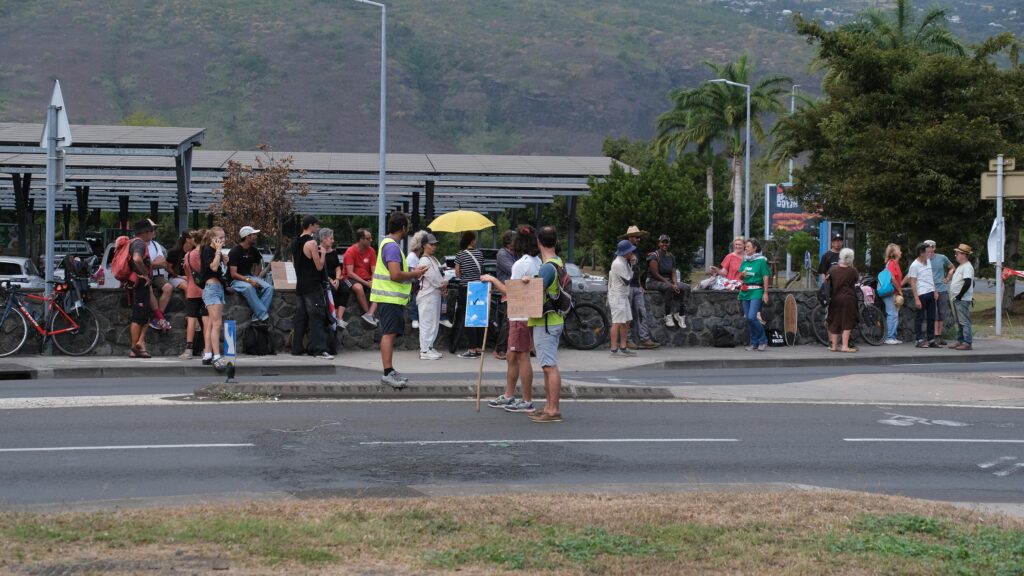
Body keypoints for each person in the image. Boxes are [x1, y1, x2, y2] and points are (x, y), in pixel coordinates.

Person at [484, 225, 540, 412]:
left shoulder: (521, 264)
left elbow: (511, 291)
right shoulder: (536, 261)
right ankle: (509, 395)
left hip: (519, 314)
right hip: (528, 314)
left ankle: (525, 399)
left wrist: (492, 280)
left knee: (522, 356)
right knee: (511, 355)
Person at [371, 211, 425, 388]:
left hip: (389, 298)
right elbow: (395, 275)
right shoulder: (393, 247)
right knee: (388, 334)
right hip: (390, 298)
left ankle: (390, 370)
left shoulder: (387, 244)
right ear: (403, 228)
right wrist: (415, 273)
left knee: (390, 334)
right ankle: (387, 373)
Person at [528, 225, 566, 423]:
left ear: (538, 242)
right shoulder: (558, 262)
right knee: (546, 365)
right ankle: (548, 405)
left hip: (546, 322)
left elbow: (536, 293)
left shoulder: (546, 267)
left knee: (549, 366)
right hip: (554, 320)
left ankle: (553, 409)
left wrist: (527, 283)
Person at [291, 215, 332, 359]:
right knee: (316, 317)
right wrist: (324, 254)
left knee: (300, 317)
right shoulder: (312, 243)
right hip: (312, 286)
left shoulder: (295, 242)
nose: (318, 228)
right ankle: (320, 349)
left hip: (300, 285)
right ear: (311, 226)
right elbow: (319, 266)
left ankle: (297, 348)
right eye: (317, 225)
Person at [619, 225, 658, 350]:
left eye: (639, 237)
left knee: (642, 312)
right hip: (627, 287)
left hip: (636, 286)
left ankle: (644, 338)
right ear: (630, 238)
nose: (639, 239)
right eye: (636, 237)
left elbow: (637, 269)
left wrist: (640, 284)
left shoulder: (636, 251)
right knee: (627, 315)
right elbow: (619, 269)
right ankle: (627, 340)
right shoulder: (623, 252)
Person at [228, 226, 274, 324]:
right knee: (249, 288)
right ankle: (263, 315)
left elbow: (259, 262)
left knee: (269, 288)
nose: (255, 236)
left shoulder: (253, 250)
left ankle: (256, 317)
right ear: (247, 236)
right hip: (236, 281)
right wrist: (250, 281)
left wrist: (256, 277)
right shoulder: (234, 252)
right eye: (253, 235)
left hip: (249, 277)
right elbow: (233, 274)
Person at [645, 234, 689, 329]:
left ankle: (680, 315)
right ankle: (667, 315)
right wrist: (670, 284)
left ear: (669, 244)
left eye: (667, 242)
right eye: (662, 242)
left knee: (686, 287)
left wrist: (675, 283)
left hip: (667, 281)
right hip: (653, 281)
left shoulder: (671, 256)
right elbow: (656, 274)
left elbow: (673, 272)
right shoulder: (654, 256)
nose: (664, 244)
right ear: (659, 243)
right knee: (669, 288)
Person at [200, 227, 229, 369]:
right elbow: (213, 267)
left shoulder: (215, 252)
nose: (223, 240)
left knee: (211, 324)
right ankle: (217, 356)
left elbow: (220, 270)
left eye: (224, 237)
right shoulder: (207, 250)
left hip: (218, 288)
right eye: (220, 238)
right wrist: (218, 252)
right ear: (213, 239)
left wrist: (225, 260)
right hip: (211, 289)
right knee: (217, 324)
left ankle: (207, 354)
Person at [415, 231, 446, 360]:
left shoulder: (433, 259)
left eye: (434, 244)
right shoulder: (423, 259)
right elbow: (433, 277)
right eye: (431, 244)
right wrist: (443, 284)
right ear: (424, 245)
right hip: (427, 295)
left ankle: (430, 346)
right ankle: (424, 350)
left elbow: (441, 273)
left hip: (435, 294)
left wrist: (444, 283)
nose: (434, 246)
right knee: (427, 322)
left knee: (433, 323)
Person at [454, 230, 485, 359]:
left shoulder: (460, 255)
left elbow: (457, 274)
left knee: (469, 319)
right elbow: (481, 270)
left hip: (466, 288)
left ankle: (471, 350)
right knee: (478, 318)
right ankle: (478, 347)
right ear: (472, 240)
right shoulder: (479, 254)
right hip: (479, 288)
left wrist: (465, 276)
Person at [127, 220, 156, 358]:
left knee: (145, 315)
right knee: (138, 317)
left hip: (137, 283)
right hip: (140, 284)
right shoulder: (139, 244)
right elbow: (137, 259)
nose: (153, 234)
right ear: (145, 232)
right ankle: (135, 347)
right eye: (151, 231)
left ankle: (138, 345)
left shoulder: (133, 242)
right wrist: (145, 274)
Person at [738, 238, 770, 351]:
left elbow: (766, 276)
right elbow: (740, 277)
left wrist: (765, 293)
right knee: (748, 318)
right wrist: (742, 274)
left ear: (755, 248)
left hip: (756, 290)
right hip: (745, 291)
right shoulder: (745, 260)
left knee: (752, 316)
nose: (745, 248)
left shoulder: (761, 260)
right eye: (745, 246)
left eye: (748, 247)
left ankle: (763, 340)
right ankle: (754, 342)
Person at [827, 248, 860, 353]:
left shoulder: (833, 269)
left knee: (834, 320)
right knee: (847, 321)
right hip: (849, 299)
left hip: (835, 298)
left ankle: (834, 346)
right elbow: (856, 281)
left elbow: (828, 281)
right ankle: (845, 346)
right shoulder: (853, 271)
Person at [176, 229, 203, 359]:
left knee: (191, 318)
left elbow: (187, 274)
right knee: (206, 320)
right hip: (204, 290)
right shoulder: (205, 254)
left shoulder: (187, 255)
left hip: (192, 289)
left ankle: (189, 349)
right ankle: (205, 349)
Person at [343, 228, 378, 327]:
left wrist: (373, 281)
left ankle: (370, 314)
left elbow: (374, 270)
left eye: (371, 238)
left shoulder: (371, 251)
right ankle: (368, 314)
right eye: (368, 238)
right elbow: (350, 273)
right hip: (349, 279)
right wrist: (366, 283)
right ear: (361, 239)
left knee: (380, 287)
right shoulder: (351, 251)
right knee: (359, 288)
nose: (371, 240)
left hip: (366, 278)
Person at [608, 239, 637, 357]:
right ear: (625, 252)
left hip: (623, 295)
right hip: (617, 295)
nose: (632, 253)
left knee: (627, 320)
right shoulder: (618, 263)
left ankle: (623, 347)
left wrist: (631, 264)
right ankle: (614, 349)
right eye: (630, 251)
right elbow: (627, 280)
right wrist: (634, 266)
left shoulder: (624, 261)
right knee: (617, 322)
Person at [907, 242, 938, 348]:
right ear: (921, 253)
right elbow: (913, 282)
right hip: (921, 294)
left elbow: (930, 277)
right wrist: (916, 299)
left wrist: (935, 290)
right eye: (928, 252)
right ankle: (919, 339)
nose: (930, 254)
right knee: (919, 317)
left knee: (931, 317)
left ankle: (931, 339)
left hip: (930, 292)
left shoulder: (928, 261)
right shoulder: (915, 265)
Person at [145, 220, 173, 333]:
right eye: (153, 229)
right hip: (144, 276)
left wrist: (151, 264)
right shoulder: (138, 244)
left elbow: (162, 262)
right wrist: (153, 264)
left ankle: (157, 318)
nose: (155, 231)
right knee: (148, 288)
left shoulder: (156, 245)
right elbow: (142, 264)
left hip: (157, 276)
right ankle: (160, 318)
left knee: (168, 287)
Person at [924, 240, 954, 346]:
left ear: (934, 248)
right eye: (927, 247)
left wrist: (948, 277)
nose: (929, 249)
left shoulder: (942, 258)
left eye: (931, 247)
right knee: (934, 313)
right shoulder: (923, 259)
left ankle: (939, 335)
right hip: (930, 290)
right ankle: (934, 336)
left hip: (942, 289)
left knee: (941, 313)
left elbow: (952, 267)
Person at [493, 230, 517, 360]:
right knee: (508, 320)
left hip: (515, 289)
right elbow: (513, 269)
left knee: (512, 319)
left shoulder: (515, 254)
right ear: (509, 242)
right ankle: (499, 349)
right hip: (506, 289)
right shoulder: (502, 254)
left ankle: (509, 346)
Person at [321, 227, 349, 330]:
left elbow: (338, 267)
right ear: (324, 239)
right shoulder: (319, 252)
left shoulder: (333, 252)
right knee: (331, 290)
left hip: (335, 278)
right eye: (331, 238)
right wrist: (330, 280)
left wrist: (337, 279)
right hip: (324, 279)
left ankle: (339, 318)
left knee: (345, 288)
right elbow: (320, 269)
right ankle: (333, 316)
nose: (333, 241)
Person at [949, 243, 974, 351]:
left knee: (964, 321)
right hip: (958, 298)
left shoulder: (967, 267)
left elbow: (968, 282)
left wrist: (959, 296)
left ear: (963, 255)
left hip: (961, 299)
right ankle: (960, 340)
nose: (956, 255)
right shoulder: (962, 266)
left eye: (957, 253)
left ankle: (967, 342)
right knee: (959, 321)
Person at [882, 243, 904, 345]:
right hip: (890, 292)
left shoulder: (895, 263)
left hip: (893, 292)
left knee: (894, 314)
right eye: (899, 250)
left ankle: (893, 336)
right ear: (894, 252)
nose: (901, 252)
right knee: (892, 314)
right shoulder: (892, 263)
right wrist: (899, 289)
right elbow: (893, 278)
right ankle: (889, 337)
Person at [406, 232, 424, 330]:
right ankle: (414, 317)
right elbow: (411, 276)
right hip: (411, 286)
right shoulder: (412, 257)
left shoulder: (415, 257)